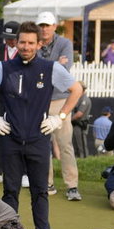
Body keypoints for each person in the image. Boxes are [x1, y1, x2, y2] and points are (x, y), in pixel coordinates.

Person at [0, 22, 82, 229]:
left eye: (31, 43)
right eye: (22, 42)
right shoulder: (3, 68)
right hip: (10, 138)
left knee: (40, 191)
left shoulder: (50, 68)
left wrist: (60, 118)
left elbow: (77, 90)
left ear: (39, 44)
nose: (26, 46)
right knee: (10, 191)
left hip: (38, 139)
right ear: (16, 43)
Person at [36, 12, 81, 201]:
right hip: (40, 101)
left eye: (47, 25)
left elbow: (64, 69)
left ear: (54, 26)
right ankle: (47, 183)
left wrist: (47, 67)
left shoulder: (65, 43)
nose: (44, 29)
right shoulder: (34, 43)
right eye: (41, 25)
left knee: (65, 144)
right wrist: (55, 64)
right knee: (42, 145)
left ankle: (72, 185)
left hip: (61, 100)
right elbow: (34, 68)